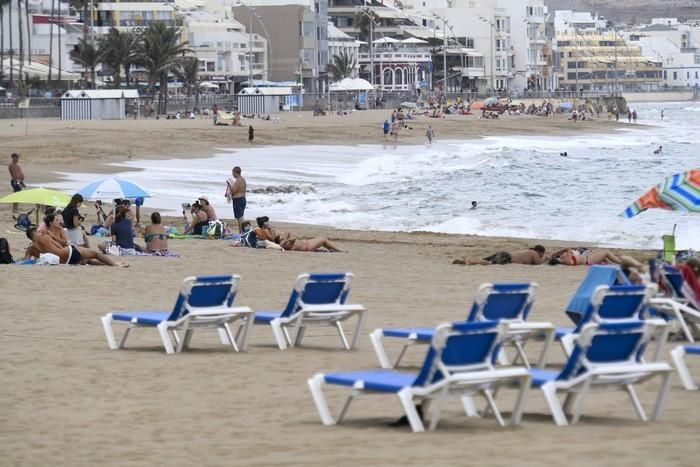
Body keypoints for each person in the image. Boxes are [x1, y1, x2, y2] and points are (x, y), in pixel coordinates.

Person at [26, 227, 128, 267]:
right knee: (95, 254)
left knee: (87, 261)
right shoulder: (45, 237)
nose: (40, 232)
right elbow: (60, 246)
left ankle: (108, 264)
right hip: (67, 253)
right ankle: (115, 265)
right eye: (38, 232)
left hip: (62, 262)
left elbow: (25, 260)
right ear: (34, 233)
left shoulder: (31, 249)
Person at [549, 248, 644, 269]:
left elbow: (567, 251)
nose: (559, 257)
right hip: (588, 260)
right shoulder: (566, 261)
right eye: (558, 258)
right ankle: (621, 262)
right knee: (606, 252)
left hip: (586, 256)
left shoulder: (563, 258)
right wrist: (555, 253)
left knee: (601, 250)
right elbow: (568, 249)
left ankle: (615, 261)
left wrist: (555, 255)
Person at [453, 245, 547, 266]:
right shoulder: (534, 253)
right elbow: (538, 263)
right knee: (488, 264)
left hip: (504, 254)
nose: (541, 256)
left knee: (485, 260)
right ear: (540, 251)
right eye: (542, 254)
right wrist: (545, 258)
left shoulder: (527, 251)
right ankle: (469, 260)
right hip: (507, 258)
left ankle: (466, 260)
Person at [225, 166, 247, 233]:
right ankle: (242, 231)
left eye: (233, 173)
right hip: (243, 199)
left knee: (239, 217)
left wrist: (229, 184)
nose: (232, 174)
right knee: (241, 217)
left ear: (235, 172)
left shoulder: (238, 181)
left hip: (238, 200)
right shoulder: (243, 179)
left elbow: (234, 190)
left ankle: (241, 232)